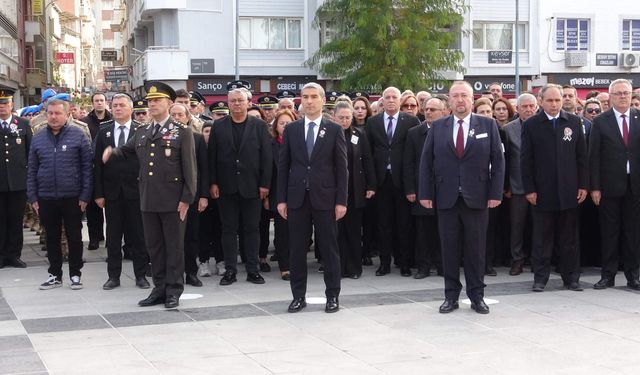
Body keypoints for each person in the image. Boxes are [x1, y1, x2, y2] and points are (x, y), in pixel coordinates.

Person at [102, 81, 197, 308]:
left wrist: (187, 199)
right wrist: (111, 152)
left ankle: (173, 290)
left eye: (157, 100)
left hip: (173, 200)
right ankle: (159, 288)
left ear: (169, 103)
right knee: (154, 247)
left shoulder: (181, 131)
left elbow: (190, 169)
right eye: (150, 101)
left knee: (173, 247)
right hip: (148, 198)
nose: (152, 104)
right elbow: (126, 151)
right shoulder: (143, 130)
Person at [419, 81, 505, 315]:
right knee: (449, 249)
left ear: (471, 99)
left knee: (476, 250)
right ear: (449, 100)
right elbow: (426, 162)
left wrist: (495, 193)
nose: (459, 100)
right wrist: (425, 193)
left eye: (464, 95)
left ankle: (477, 296)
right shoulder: (438, 127)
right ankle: (451, 296)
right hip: (445, 197)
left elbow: (498, 162)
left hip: (477, 198)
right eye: (455, 96)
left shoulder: (488, 124)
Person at [277, 82, 348, 313]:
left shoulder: (334, 129)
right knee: (297, 249)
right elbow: (283, 166)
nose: (309, 101)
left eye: (313, 97)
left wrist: (341, 201)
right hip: (297, 198)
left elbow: (341, 168)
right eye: (305, 97)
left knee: (329, 248)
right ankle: (298, 296)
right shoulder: (292, 129)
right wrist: (282, 199)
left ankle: (332, 296)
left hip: (326, 198)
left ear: (322, 99)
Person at [521, 84, 588, 293]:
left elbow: (581, 157)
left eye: (557, 100)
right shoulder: (532, 124)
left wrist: (583, 185)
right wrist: (529, 189)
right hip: (542, 192)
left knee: (569, 238)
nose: (554, 104)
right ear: (540, 101)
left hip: (569, 191)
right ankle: (540, 278)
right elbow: (526, 161)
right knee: (542, 238)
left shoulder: (574, 122)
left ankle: (571, 278)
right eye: (550, 100)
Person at [208, 88, 272, 286]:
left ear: (248, 103)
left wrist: (265, 184)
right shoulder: (218, 126)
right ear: (228, 103)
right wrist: (213, 182)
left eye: (240, 101)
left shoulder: (260, 126)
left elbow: (267, 158)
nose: (236, 104)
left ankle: (253, 270)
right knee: (228, 230)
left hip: (252, 187)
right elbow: (212, 157)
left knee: (252, 229)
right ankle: (230, 270)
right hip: (226, 187)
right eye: (233, 101)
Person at [28, 98, 93, 290]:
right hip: (46, 196)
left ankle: (75, 274)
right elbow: (32, 168)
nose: (54, 117)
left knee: (74, 236)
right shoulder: (38, 136)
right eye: (50, 113)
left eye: (58, 113)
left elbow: (87, 168)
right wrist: (33, 197)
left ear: (67, 114)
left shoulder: (78, 134)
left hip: (73, 196)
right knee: (52, 237)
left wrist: (85, 196)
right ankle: (54, 274)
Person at [93, 93, 150, 290]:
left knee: (138, 236)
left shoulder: (142, 130)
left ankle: (141, 275)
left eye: (121, 105)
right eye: (115, 105)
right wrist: (99, 193)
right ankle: (113, 276)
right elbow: (97, 165)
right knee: (113, 237)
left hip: (136, 191)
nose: (117, 108)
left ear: (131, 109)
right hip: (112, 193)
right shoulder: (104, 131)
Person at [589, 79, 640, 290]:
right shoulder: (600, 121)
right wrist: (595, 187)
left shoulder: (639, 118)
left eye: (626, 93)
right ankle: (607, 275)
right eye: (618, 93)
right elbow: (594, 157)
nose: (622, 96)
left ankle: (633, 276)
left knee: (633, 233)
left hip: (635, 186)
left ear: (631, 95)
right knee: (609, 232)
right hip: (609, 186)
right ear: (610, 97)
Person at [367, 86, 420, 277]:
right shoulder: (372, 122)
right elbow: (368, 154)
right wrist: (371, 184)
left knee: (404, 225)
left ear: (400, 101)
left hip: (403, 181)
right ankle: (384, 264)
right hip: (381, 181)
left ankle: (404, 263)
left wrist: (412, 185)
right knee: (383, 225)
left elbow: (413, 154)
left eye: (394, 97)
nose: (390, 100)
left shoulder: (411, 121)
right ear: (382, 101)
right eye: (387, 97)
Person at [403, 96, 447, 279]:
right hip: (422, 189)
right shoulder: (414, 133)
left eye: (433, 109)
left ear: (444, 112)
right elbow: (408, 163)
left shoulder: (449, 130)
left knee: (444, 230)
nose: (428, 112)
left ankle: (443, 266)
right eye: (426, 109)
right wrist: (411, 189)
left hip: (445, 189)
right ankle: (423, 266)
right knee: (423, 231)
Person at [169, 103, 210, 287]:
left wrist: (203, 196)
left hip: (191, 195)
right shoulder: (161, 138)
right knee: (170, 238)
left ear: (187, 118)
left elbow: (203, 170)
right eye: (173, 115)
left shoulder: (198, 139)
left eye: (180, 115)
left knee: (191, 236)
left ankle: (191, 273)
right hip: (168, 195)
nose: (177, 118)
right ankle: (172, 273)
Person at [334, 101, 376, 279]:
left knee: (352, 229)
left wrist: (371, 185)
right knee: (336, 231)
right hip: (334, 190)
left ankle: (353, 267)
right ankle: (337, 267)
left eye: (347, 117)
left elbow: (367, 160)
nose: (344, 121)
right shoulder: (328, 134)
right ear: (334, 117)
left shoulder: (358, 134)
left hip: (354, 188)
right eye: (341, 117)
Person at [503, 93, 538, 275]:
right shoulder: (509, 129)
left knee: (539, 226)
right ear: (517, 109)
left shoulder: (543, 126)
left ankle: (537, 259)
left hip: (541, 187)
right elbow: (506, 160)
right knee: (517, 227)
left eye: (531, 106)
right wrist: (506, 185)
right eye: (524, 106)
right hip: (517, 187)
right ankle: (517, 260)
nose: (528, 109)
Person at [0, 88, 32, 269]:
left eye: (5, 103)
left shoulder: (23, 124)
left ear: (12, 105)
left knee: (15, 220)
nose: (2, 107)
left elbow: (30, 152)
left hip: (18, 181)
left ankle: (13, 255)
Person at [267, 109, 296, 280]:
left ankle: (296, 263)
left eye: (289, 122)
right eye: (282, 123)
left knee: (298, 232)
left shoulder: (300, 142)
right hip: (279, 194)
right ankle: (285, 267)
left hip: (299, 193)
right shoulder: (271, 145)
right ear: (276, 126)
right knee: (282, 232)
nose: (285, 126)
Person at [81, 92, 111, 251]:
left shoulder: (112, 120)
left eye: (101, 100)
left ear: (106, 102)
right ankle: (95, 237)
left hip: (111, 168)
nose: (99, 103)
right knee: (93, 206)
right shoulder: (85, 122)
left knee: (111, 206)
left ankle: (110, 238)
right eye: (96, 100)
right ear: (92, 103)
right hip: (93, 167)